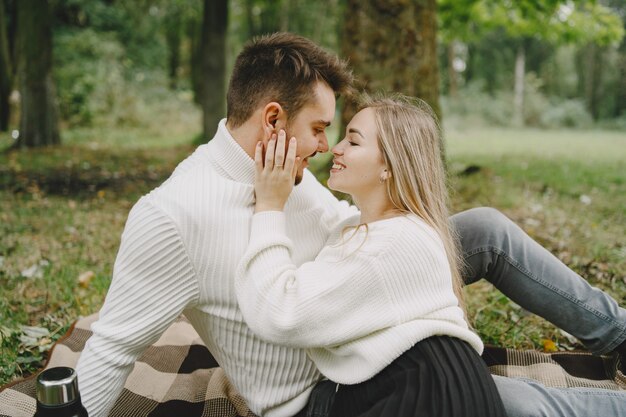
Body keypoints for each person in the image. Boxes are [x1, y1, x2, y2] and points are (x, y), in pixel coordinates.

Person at [75, 32, 626, 417]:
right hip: (328, 388)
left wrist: (410, 254)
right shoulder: (171, 214)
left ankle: (618, 334)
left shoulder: (289, 166)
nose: (324, 145)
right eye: (318, 127)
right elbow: (112, 348)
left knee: (481, 229)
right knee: (512, 403)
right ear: (272, 119)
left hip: (355, 305)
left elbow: (347, 226)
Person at [235, 95, 508, 417]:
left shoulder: (390, 245)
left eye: (352, 141)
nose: (335, 148)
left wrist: (269, 207)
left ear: (389, 168)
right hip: (420, 381)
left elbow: (281, 313)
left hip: (427, 392)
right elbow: (324, 212)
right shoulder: (370, 226)